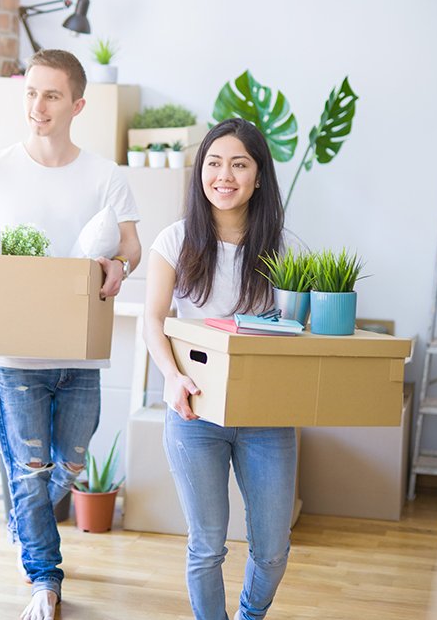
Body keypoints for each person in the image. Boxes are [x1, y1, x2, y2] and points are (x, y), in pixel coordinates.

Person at [0, 49, 141, 620]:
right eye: (31, 93)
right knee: (30, 472)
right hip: (15, 357)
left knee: (72, 465)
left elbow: (130, 245)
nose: (37, 106)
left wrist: (119, 265)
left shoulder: (105, 176)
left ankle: (24, 521)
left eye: (52, 95)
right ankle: (45, 577)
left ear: (78, 104)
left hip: (81, 356)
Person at [143, 118, 298, 620]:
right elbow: (153, 317)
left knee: (272, 548)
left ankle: (251, 615)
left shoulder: (282, 249)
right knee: (207, 545)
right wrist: (171, 376)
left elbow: (295, 333)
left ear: (258, 176)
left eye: (239, 164)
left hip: (265, 418)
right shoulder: (176, 239)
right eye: (213, 163)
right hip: (194, 413)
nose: (224, 175)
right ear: (200, 172)